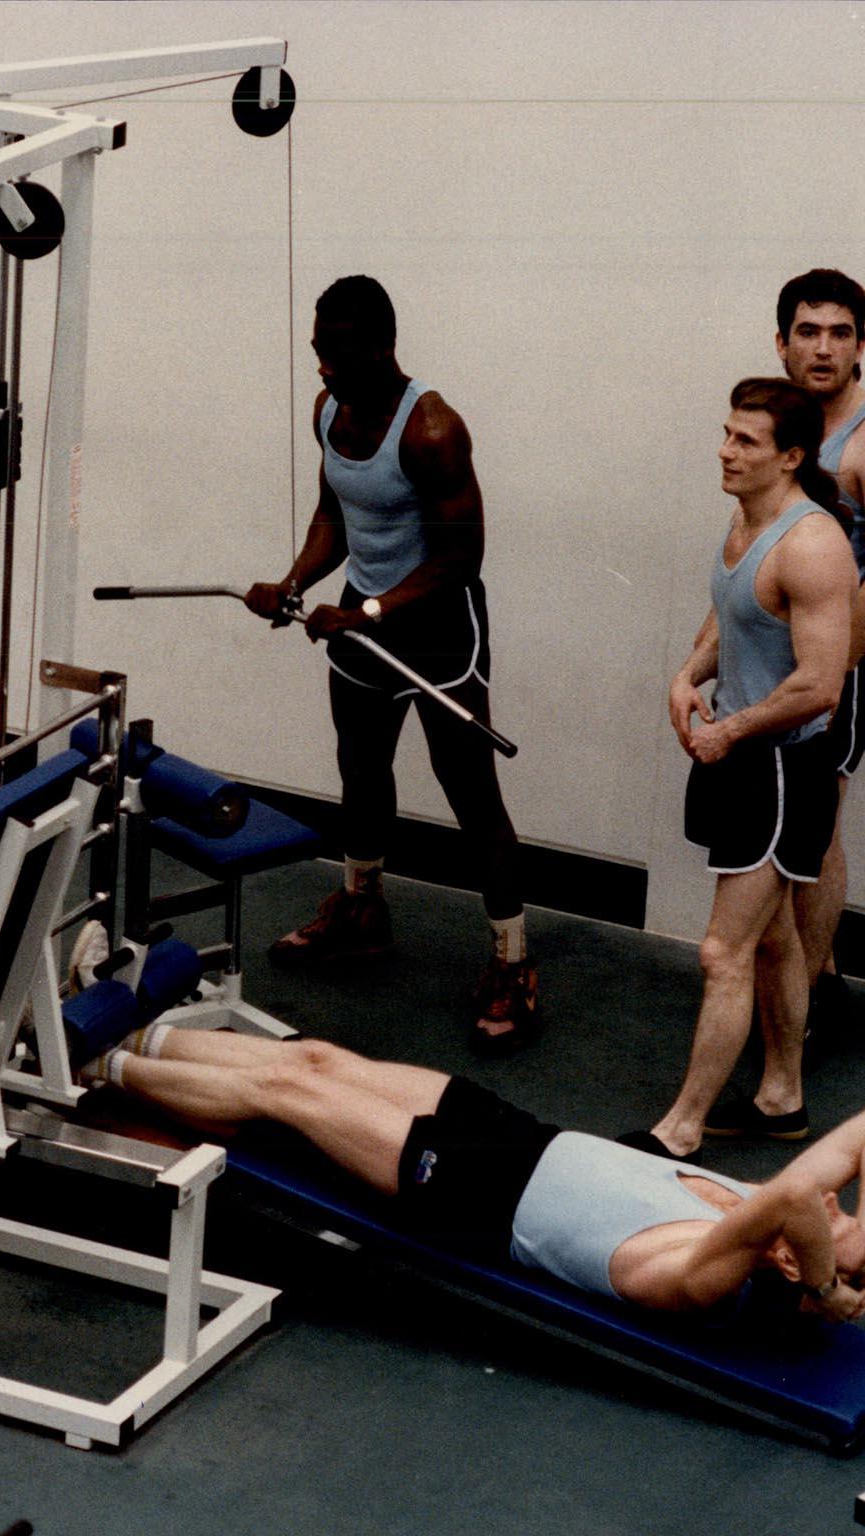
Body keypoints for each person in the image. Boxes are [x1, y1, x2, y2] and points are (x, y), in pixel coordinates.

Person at [81, 1025, 865, 1318]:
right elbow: (851, 1145)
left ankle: (89, 1062)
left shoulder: (696, 1275)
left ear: (793, 1259)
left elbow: (799, 1197)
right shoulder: (758, 1208)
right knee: (315, 1058)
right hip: (517, 1136)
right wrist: (831, 1274)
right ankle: (136, 1030)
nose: (837, 1200)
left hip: (469, 1193)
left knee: (285, 1095)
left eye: (840, 1221)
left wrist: (830, 1294)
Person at [243, 275, 535, 1053]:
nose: (323, 366)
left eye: (337, 353)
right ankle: (362, 910)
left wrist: (365, 612)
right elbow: (334, 515)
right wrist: (294, 583)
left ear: (381, 348)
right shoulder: (329, 410)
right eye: (318, 350)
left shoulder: (432, 430)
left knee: (470, 791)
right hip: (362, 617)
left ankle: (513, 961)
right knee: (362, 770)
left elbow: (461, 558)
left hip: (436, 629)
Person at [642, 379, 856, 1160]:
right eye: (726, 434)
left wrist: (729, 731)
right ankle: (781, 1098)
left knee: (723, 952)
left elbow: (820, 684)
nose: (725, 452)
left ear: (790, 457)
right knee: (773, 941)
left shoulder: (813, 546)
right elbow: (729, 616)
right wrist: (687, 675)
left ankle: (681, 1128)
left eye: (745, 442)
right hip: (743, 757)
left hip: (782, 767)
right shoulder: (745, 519)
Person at [769, 270, 865, 1044]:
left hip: (840, 663)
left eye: (840, 333)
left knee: (818, 825)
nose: (823, 348)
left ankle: (801, 1004)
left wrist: (835, 670)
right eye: (808, 331)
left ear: (861, 346)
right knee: (787, 820)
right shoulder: (778, 428)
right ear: (782, 343)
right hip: (776, 651)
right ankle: (817, 977)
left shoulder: (861, 443)